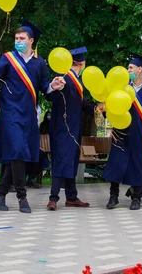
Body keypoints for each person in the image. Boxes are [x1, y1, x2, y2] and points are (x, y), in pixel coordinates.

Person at [0, 19, 65, 213]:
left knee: (19, 155)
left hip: (29, 116)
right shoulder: (7, 58)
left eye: (22, 38)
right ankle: (22, 196)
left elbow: (45, 88)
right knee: (17, 150)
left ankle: (0, 194)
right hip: (10, 113)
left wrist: (54, 86)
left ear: (31, 41)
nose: (18, 41)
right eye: (16, 38)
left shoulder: (39, 63)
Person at [103, 54, 142, 211]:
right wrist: (105, 112)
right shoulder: (121, 88)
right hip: (121, 132)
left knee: (137, 164)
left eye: (130, 67)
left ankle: (136, 197)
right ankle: (113, 196)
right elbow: (113, 108)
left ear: (139, 69)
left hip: (139, 133)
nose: (128, 70)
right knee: (116, 163)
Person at [46, 46, 102, 211]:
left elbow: (80, 104)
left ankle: (71, 197)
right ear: (82, 63)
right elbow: (53, 96)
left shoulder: (76, 80)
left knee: (70, 159)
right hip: (63, 128)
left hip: (72, 128)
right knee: (63, 160)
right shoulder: (65, 79)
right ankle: (53, 197)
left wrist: (96, 109)